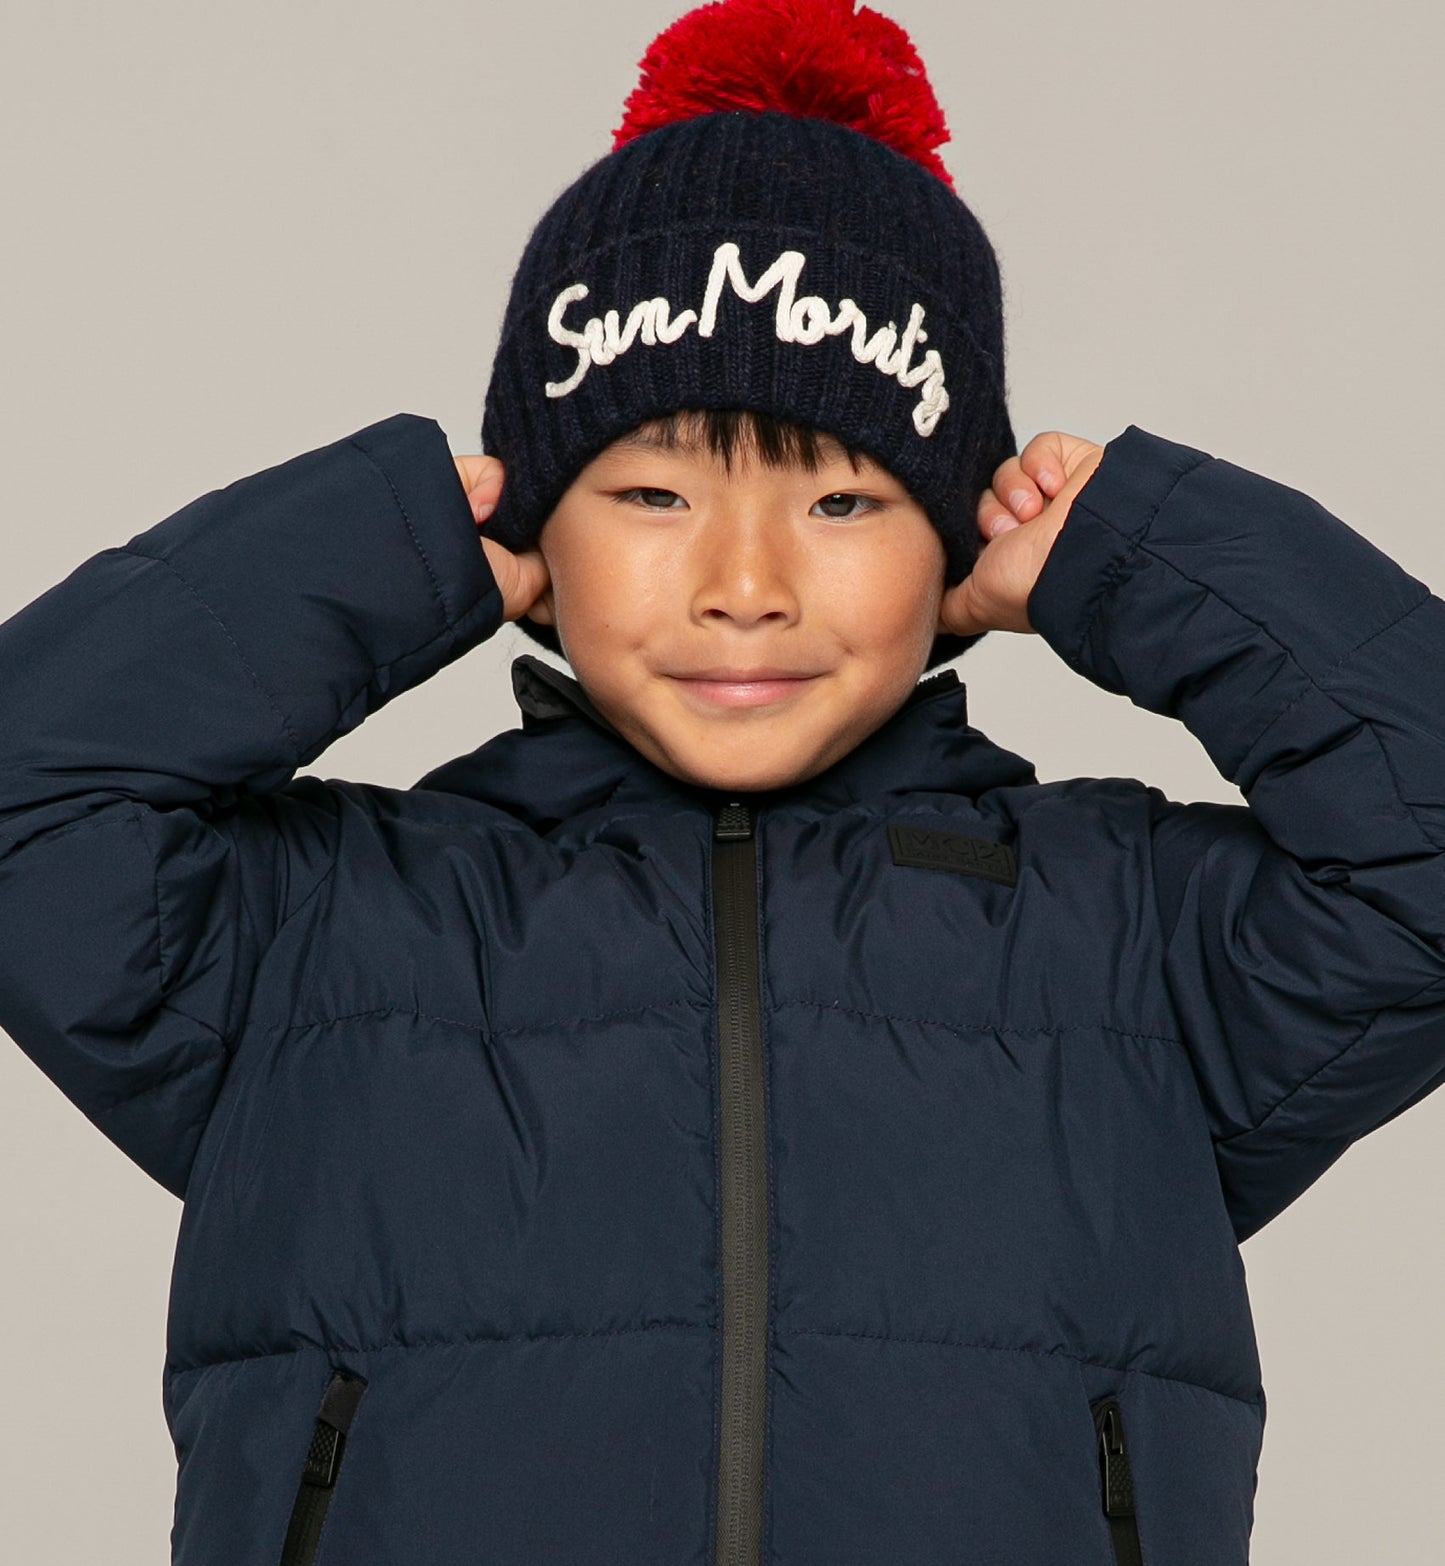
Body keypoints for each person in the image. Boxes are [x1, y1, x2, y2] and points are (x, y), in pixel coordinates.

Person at [0, 0, 1441, 1561]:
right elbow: (30, 794)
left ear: (957, 541)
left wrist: (1138, 557)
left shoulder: (1127, 941)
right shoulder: (324, 934)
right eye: (650, 492)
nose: (742, 585)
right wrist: (392, 541)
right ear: (533, 527)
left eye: (842, 501)